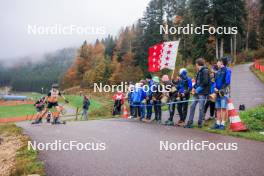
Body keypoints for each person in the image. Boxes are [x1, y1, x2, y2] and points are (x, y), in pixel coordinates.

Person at [185, 58, 210, 128]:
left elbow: (205, 82)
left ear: (197, 64)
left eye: (196, 64)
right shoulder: (199, 71)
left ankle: (200, 123)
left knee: (201, 108)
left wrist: (198, 89)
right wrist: (194, 87)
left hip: (202, 92)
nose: (195, 65)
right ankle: (190, 122)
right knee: (192, 106)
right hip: (196, 93)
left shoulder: (205, 71)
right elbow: (197, 82)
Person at [212, 57, 232, 130]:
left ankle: (222, 124)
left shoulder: (227, 70)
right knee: (217, 108)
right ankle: (217, 123)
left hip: (224, 92)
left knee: (223, 108)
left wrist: (220, 89)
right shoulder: (218, 71)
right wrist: (214, 87)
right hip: (217, 92)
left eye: (218, 62)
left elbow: (227, 82)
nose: (217, 63)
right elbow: (215, 81)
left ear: (221, 62)